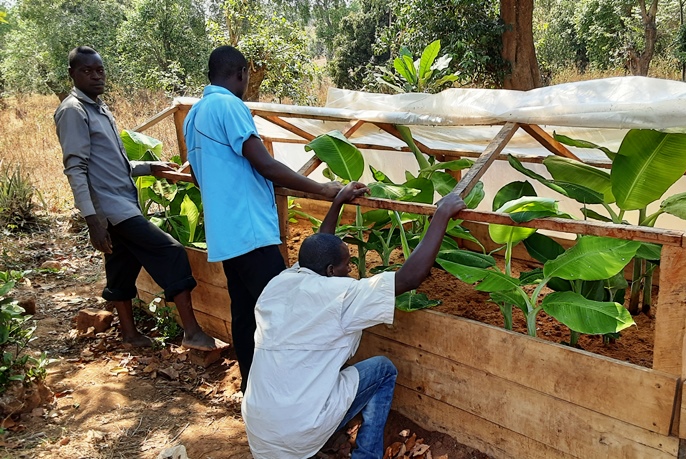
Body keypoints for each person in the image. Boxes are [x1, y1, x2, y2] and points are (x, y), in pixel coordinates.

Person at [242, 182, 467, 459]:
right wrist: (442, 214)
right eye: (347, 265)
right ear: (330, 270)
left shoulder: (279, 283)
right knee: (383, 370)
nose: (351, 269)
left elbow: (318, 249)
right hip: (300, 431)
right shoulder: (342, 295)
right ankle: (366, 455)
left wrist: (338, 202)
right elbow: (410, 277)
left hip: (260, 430)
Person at [183, 45, 342, 391]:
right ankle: (288, 398)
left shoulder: (193, 116)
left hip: (225, 237)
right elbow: (264, 164)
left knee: (244, 314)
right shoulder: (229, 105)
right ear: (241, 73)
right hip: (251, 232)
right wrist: (322, 190)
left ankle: (251, 389)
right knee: (283, 315)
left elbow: (198, 176)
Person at [54, 46, 227, 351]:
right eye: (87, 71)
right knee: (171, 252)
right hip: (111, 208)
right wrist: (92, 219)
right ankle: (191, 332)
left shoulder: (98, 107)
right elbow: (76, 168)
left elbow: (111, 163)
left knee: (121, 264)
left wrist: (149, 166)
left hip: (120, 202)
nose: (96, 76)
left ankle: (130, 334)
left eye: (99, 70)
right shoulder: (73, 111)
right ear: (72, 74)